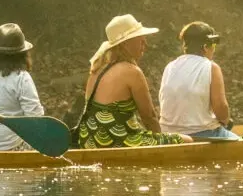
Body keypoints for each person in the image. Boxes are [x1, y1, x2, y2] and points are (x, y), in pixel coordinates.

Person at [74, 13, 179, 147]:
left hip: (88, 140)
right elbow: (149, 117)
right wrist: (161, 143)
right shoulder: (132, 71)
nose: (145, 44)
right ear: (124, 44)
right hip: (116, 140)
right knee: (186, 140)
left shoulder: (97, 69)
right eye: (140, 39)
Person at [159, 21, 237, 140]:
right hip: (201, 133)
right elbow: (221, 107)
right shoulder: (211, 67)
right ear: (205, 47)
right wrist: (226, 121)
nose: (214, 50)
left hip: (168, 134)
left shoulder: (170, 66)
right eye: (213, 46)